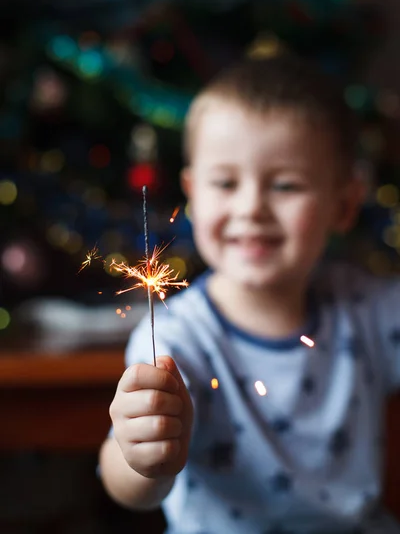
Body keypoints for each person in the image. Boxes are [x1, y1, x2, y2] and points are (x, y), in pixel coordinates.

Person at [99, 53, 400, 533]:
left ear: (344, 205)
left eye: (285, 185)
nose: (251, 207)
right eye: (225, 182)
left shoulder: (367, 310)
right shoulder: (181, 338)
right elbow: (127, 484)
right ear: (193, 195)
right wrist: (138, 457)